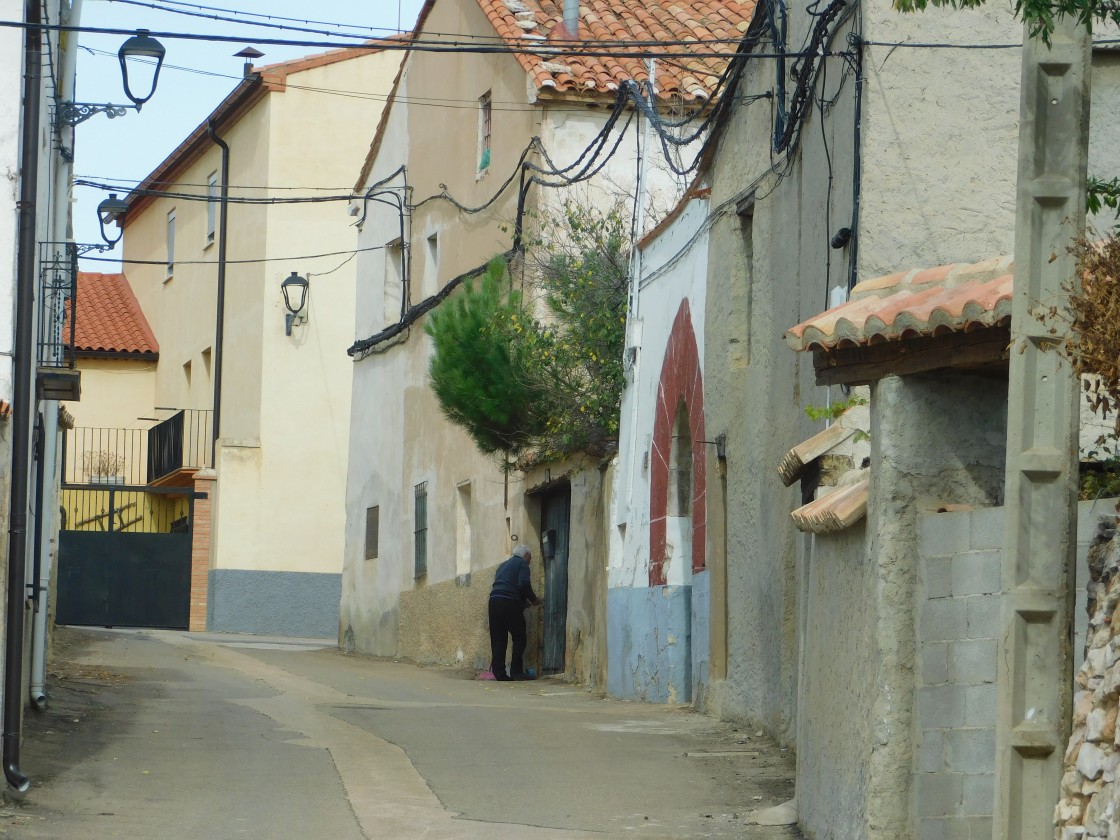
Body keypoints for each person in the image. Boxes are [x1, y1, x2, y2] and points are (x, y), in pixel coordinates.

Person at [488, 544, 541, 681]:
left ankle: (499, 673)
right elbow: (523, 584)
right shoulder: (522, 564)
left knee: (498, 638)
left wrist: (522, 603)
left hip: (494, 600)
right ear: (526, 556)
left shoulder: (502, 565)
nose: (530, 562)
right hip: (509, 601)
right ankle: (516, 672)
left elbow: (506, 584)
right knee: (519, 637)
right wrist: (533, 600)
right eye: (530, 559)